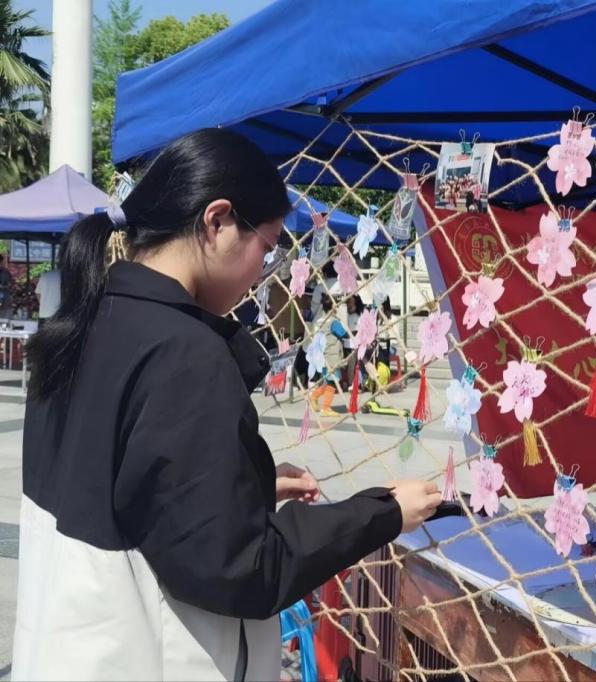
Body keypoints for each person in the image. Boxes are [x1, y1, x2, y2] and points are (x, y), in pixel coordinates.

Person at [15, 129, 442, 680]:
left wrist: (241, 485)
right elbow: (242, 569)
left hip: (62, 649)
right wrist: (383, 512)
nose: (263, 269)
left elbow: (119, 486)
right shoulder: (185, 353)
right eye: (266, 246)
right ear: (216, 222)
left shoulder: (86, 320)